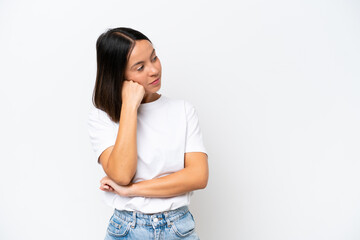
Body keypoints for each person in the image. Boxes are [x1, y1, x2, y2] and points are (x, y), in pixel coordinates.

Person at [87, 27, 209, 240]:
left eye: (154, 58)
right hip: (127, 230)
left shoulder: (183, 110)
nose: (154, 70)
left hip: (178, 229)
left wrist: (132, 190)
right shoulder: (102, 117)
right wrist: (129, 107)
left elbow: (198, 176)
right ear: (119, 75)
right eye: (140, 67)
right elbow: (122, 174)